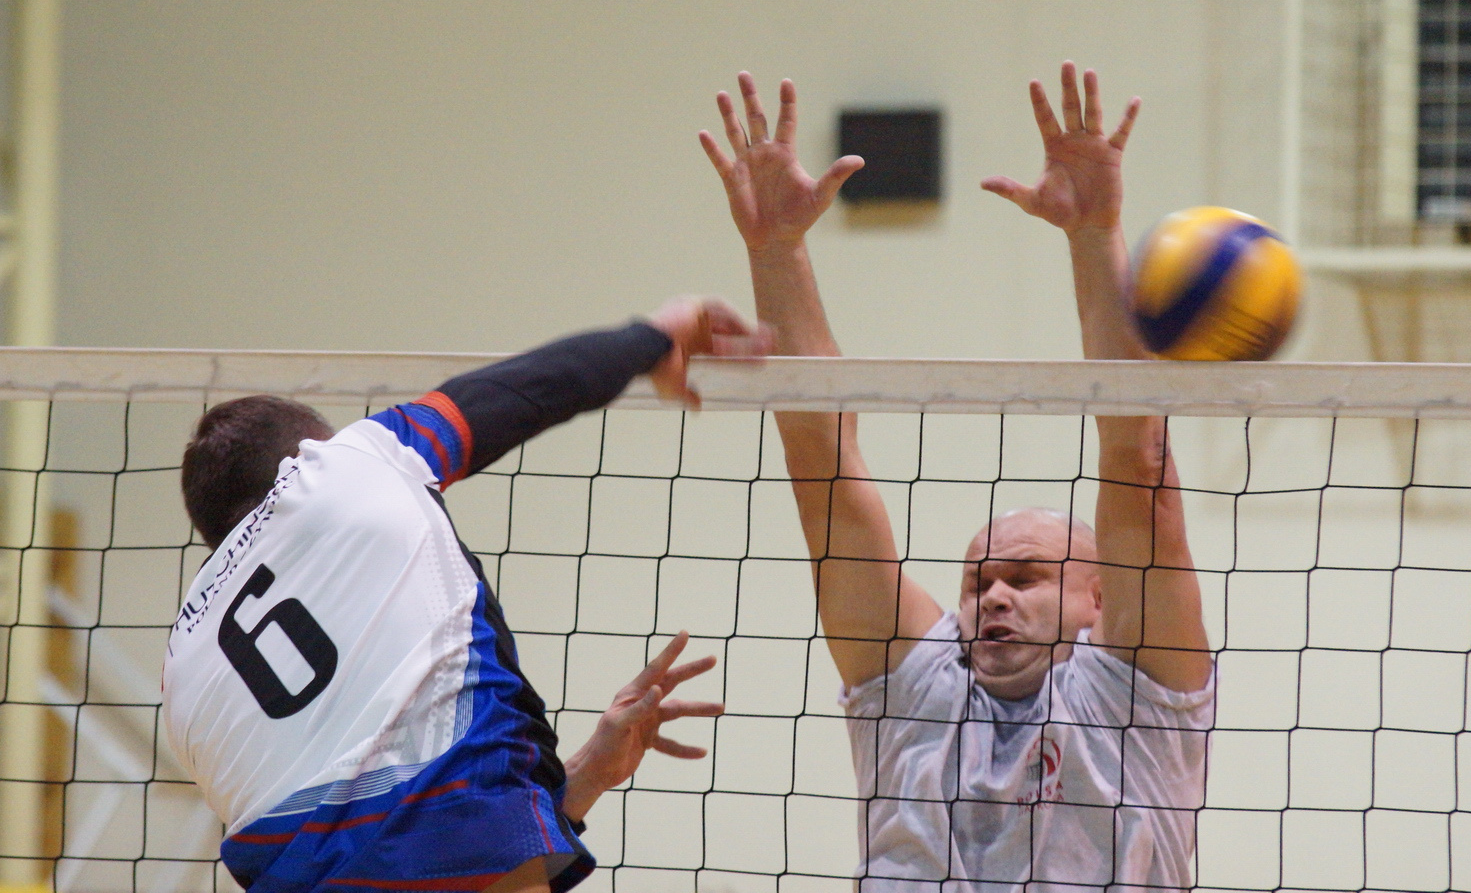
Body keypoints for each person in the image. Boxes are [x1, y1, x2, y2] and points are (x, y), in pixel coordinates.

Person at [698, 65, 1214, 893]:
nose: (994, 596)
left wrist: (1095, 237)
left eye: (1027, 577)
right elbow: (821, 457)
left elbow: (1137, 456)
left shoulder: (1132, 693)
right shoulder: (918, 681)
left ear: (1100, 600)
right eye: (978, 582)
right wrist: (776, 250)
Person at [163, 299, 766, 893]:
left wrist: (584, 777)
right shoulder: (347, 463)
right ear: (307, 452)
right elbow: (530, 388)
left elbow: (358, 846)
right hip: (469, 852)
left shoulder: (181, 673)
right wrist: (653, 337)